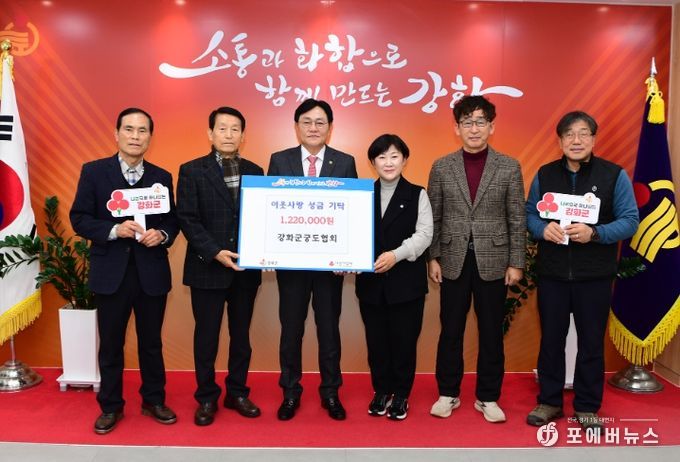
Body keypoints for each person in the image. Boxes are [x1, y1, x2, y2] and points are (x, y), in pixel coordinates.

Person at [525, 111, 639, 432]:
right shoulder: (545, 174)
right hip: (553, 274)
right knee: (551, 340)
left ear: (593, 139)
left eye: (583, 133)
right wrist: (541, 229)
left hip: (595, 276)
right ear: (560, 140)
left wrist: (595, 233)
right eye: (569, 134)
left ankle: (587, 406)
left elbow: (630, 220)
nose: (576, 140)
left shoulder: (614, 175)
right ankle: (549, 401)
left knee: (591, 343)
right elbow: (529, 214)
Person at [70, 108, 179, 434]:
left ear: (150, 137)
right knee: (111, 345)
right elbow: (79, 218)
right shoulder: (94, 172)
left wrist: (162, 234)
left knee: (151, 343)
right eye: (129, 129)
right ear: (116, 134)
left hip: (151, 273)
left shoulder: (161, 177)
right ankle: (110, 406)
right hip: (111, 273)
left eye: (142, 130)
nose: (135, 136)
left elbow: (172, 219)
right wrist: (114, 230)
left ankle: (153, 400)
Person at [427, 95, 526, 423]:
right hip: (452, 259)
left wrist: (516, 262)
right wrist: (433, 257)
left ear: (491, 127)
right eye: (467, 122)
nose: (474, 128)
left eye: (480, 122)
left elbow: (516, 218)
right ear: (456, 128)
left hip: (495, 261)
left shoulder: (509, 166)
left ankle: (488, 397)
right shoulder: (442, 166)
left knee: (491, 332)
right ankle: (448, 393)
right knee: (450, 330)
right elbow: (434, 216)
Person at [267, 99, 358, 421]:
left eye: (320, 122)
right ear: (297, 127)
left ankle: (330, 392)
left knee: (329, 331)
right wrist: (267, 249)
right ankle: (290, 392)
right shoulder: (280, 160)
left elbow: (351, 214)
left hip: (329, 268)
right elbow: (270, 209)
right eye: (307, 122)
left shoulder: (344, 162)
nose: (314, 128)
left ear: (330, 128)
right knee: (291, 331)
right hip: (291, 265)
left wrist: (350, 255)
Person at [176, 107, 264, 426]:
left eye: (235, 129)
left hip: (245, 270)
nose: (228, 134)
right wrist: (215, 252)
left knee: (241, 336)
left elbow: (264, 218)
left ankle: (237, 392)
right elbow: (187, 217)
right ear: (210, 133)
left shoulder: (256, 171)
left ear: (243, 135)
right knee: (207, 337)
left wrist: (266, 252)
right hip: (207, 267)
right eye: (222, 128)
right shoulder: (191, 170)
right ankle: (206, 397)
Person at [355, 134, 433, 421]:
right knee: (376, 343)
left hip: (406, 284)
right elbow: (351, 233)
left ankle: (401, 395)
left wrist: (395, 255)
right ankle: (381, 391)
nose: (388, 162)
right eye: (381, 157)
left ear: (404, 160)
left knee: (404, 342)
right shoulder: (362, 194)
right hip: (371, 283)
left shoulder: (417, 194)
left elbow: (424, 235)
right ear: (372, 162)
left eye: (394, 156)